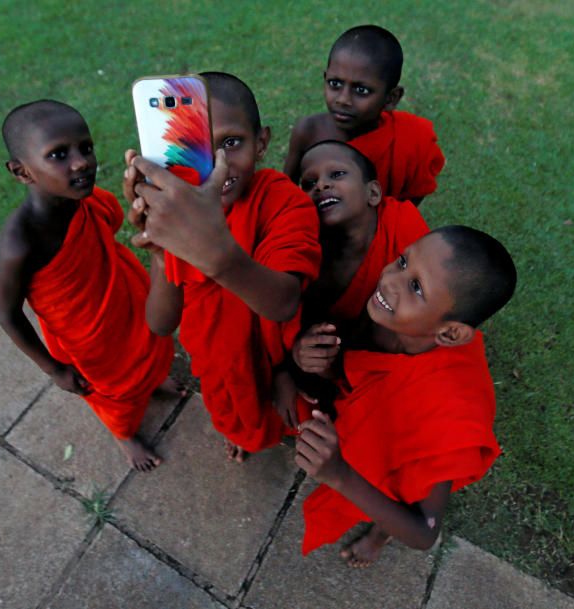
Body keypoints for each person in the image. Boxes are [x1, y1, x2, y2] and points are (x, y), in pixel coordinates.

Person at [123, 73, 321, 462]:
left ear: (261, 142)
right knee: (234, 417)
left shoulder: (283, 201)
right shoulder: (177, 217)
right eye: (193, 147)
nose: (219, 165)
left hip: (279, 357)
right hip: (219, 363)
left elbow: (283, 303)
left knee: (290, 413)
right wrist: (162, 254)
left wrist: (214, 252)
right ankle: (238, 434)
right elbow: (161, 323)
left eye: (231, 143)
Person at [293, 226, 516, 566]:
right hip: (379, 410)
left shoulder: (451, 415)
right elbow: (359, 370)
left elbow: (425, 532)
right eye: (401, 261)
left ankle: (379, 535)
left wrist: (339, 474)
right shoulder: (393, 315)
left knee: (402, 486)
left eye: (415, 286)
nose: (390, 281)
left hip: (419, 435)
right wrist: (319, 363)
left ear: (450, 332)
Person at [0, 99, 175, 472]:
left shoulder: (79, 200)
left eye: (85, 147)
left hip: (124, 302)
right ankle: (125, 434)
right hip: (89, 341)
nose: (81, 162)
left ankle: (153, 381)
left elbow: (106, 222)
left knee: (153, 348)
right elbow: (8, 315)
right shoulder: (19, 244)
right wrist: (53, 369)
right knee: (115, 393)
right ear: (21, 171)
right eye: (59, 154)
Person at [274, 140, 428, 429]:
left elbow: (424, 309)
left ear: (373, 193)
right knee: (293, 417)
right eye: (309, 183)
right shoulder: (299, 244)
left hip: (379, 353)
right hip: (319, 357)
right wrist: (288, 364)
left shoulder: (402, 226)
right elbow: (273, 312)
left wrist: (343, 366)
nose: (320, 186)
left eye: (337, 175)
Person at [283, 25, 446, 205]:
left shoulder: (409, 140)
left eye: (361, 90)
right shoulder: (309, 131)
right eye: (335, 84)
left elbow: (410, 204)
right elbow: (285, 192)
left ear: (391, 98)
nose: (343, 99)